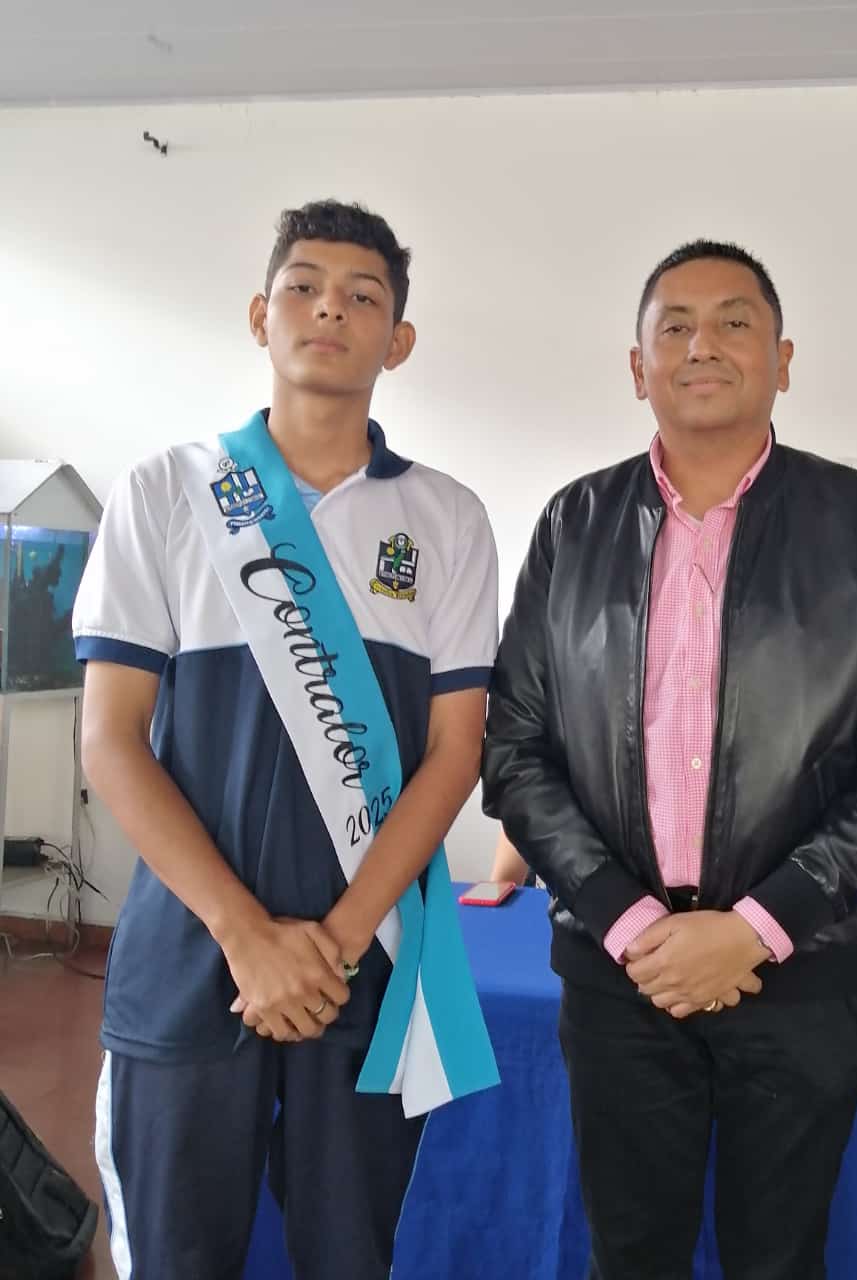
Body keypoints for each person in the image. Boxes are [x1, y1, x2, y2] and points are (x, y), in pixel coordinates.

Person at [482, 240, 857, 1279]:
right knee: (629, 1256)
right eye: (676, 325)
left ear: (782, 359)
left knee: (777, 1260)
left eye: (734, 322)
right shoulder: (573, 525)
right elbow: (515, 749)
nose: (703, 344)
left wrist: (755, 927)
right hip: (618, 976)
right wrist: (629, 922)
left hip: (803, 972)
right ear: (638, 365)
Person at [73, 199, 498, 1278]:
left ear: (398, 340)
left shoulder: (445, 518)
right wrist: (246, 934)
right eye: (304, 287)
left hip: (368, 967)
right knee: (175, 1254)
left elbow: (457, 750)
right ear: (262, 315)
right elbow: (110, 739)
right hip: (191, 956)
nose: (330, 310)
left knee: (353, 1253)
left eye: (363, 296)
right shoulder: (167, 492)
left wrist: (338, 940)